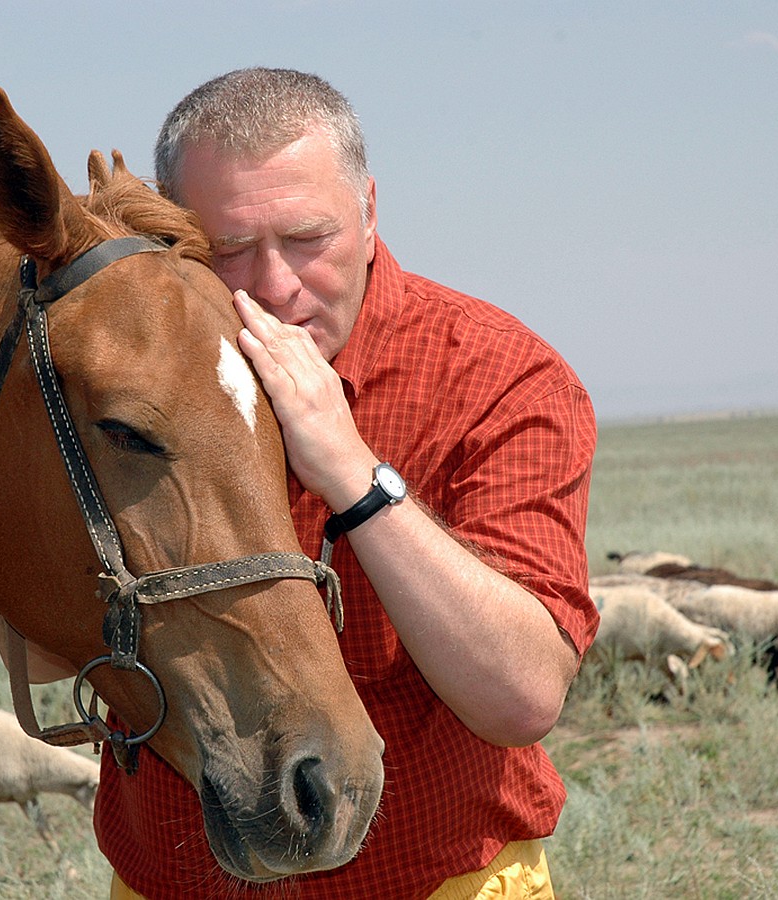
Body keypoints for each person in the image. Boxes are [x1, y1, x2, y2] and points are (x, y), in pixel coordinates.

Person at [94, 67, 598, 899]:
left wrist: (352, 473)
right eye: (227, 251)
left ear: (368, 215)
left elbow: (521, 698)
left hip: (437, 882)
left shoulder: (502, 376)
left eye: (306, 239)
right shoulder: (118, 392)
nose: (275, 287)